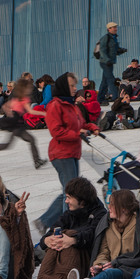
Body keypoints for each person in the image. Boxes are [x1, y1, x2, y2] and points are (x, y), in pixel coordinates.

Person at [11, 178, 106, 279]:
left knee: (69, 234)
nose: (66, 201)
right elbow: (52, 230)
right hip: (60, 255)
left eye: (69, 198)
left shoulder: (100, 213)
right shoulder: (69, 213)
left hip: (84, 258)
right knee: (59, 235)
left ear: (82, 200)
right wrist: (48, 240)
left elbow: (92, 234)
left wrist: (73, 240)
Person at [36, 73, 98, 231]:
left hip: (72, 153)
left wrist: (92, 127)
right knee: (71, 193)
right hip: (61, 153)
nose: (75, 88)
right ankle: (66, 226)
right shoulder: (55, 105)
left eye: (75, 85)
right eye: (71, 85)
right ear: (63, 86)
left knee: (70, 190)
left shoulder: (72, 105)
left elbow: (81, 123)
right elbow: (56, 131)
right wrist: (78, 134)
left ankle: (45, 221)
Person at [72, 189, 140, 279]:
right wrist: (99, 264)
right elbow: (104, 250)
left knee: (110, 275)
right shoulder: (108, 223)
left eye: (112, 204)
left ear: (124, 209)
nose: (109, 206)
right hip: (112, 266)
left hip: (131, 269)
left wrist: (116, 262)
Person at [0, 78, 47, 169]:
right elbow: (31, 111)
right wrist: (44, 113)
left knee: (18, 142)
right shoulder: (24, 99)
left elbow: (5, 106)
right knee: (22, 142)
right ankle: (37, 161)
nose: (30, 90)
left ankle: (37, 161)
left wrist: (11, 114)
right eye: (29, 88)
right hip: (18, 126)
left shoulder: (17, 98)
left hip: (16, 124)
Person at [97, 21, 127, 102]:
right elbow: (102, 50)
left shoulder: (114, 38)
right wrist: (107, 60)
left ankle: (100, 99)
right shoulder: (106, 38)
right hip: (105, 62)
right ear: (109, 29)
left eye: (116, 27)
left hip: (109, 62)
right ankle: (116, 98)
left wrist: (122, 50)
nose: (115, 29)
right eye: (114, 27)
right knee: (111, 79)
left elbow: (115, 50)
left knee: (105, 81)